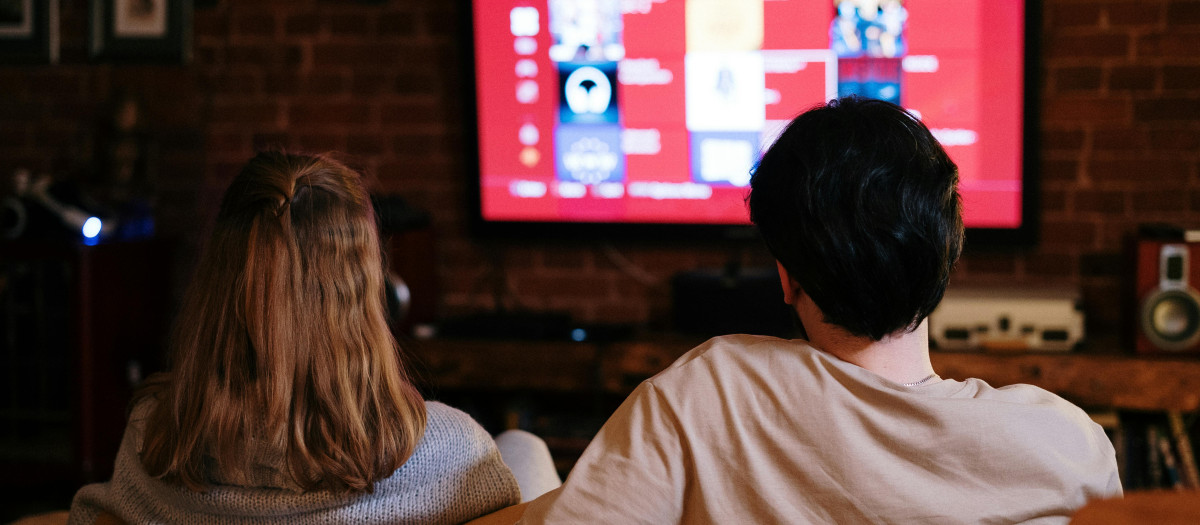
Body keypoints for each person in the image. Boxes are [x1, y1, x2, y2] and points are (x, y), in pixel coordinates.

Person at [512, 97, 1122, 523]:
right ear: (948, 253)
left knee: (519, 449)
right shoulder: (1072, 447)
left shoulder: (709, 393)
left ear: (787, 276)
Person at [67, 152, 524, 524]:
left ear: (217, 286)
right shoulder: (449, 449)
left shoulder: (155, 434)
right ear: (366, 290)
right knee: (525, 447)